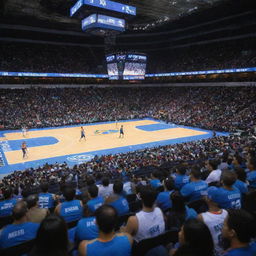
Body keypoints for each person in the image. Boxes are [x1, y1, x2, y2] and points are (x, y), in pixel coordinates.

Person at [198, 186, 228, 256]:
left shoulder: (202, 217)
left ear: (209, 199)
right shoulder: (226, 212)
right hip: (225, 250)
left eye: (206, 196)